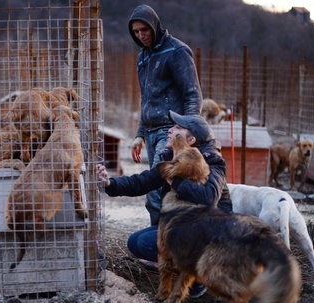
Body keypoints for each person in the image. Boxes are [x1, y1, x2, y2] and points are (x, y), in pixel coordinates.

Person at [97, 111, 232, 298]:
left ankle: (200, 276)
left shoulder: (213, 161)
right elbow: (142, 181)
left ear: (191, 139)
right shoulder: (174, 158)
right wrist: (110, 183)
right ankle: (182, 267)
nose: (170, 130)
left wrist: (174, 182)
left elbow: (209, 197)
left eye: (178, 128)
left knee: (151, 242)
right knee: (137, 242)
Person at [128, 4, 203, 228]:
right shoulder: (142, 57)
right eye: (136, 32)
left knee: (155, 190)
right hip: (150, 132)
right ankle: (159, 245)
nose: (141, 35)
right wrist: (139, 134)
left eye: (145, 30)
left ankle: (162, 248)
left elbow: (193, 95)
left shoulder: (177, 51)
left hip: (170, 130)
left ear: (154, 26)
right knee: (159, 188)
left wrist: (186, 131)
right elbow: (147, 99)